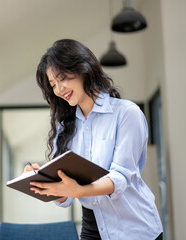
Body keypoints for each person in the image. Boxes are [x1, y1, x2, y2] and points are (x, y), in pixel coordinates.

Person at [25, 39, 163, 240]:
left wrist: (80, 190)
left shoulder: (126, 114)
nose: (59, 89)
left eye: (62, 78)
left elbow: (120, 177)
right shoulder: (65, 128)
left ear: (83, 69)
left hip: (134, 228)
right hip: (92, 227)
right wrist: (43, 182)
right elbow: (65, 197)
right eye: (53, 84)